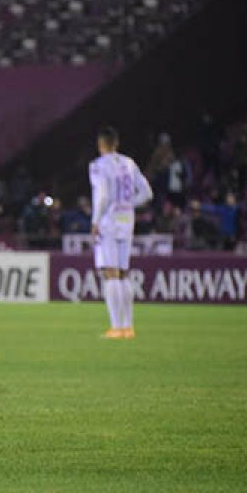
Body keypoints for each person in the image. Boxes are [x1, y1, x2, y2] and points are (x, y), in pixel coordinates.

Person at [89, 126, 153, 339]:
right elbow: (146, 193)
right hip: (127, 221)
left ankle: (116, 327)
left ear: (101, 145)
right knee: (124, 272)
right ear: (116, 143)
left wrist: (95, 220)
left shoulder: (98, 166)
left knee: (110, 273)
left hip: (109, 221)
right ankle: (128, 327)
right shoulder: (129, 163)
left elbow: (102, 195)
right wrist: (127, 204)